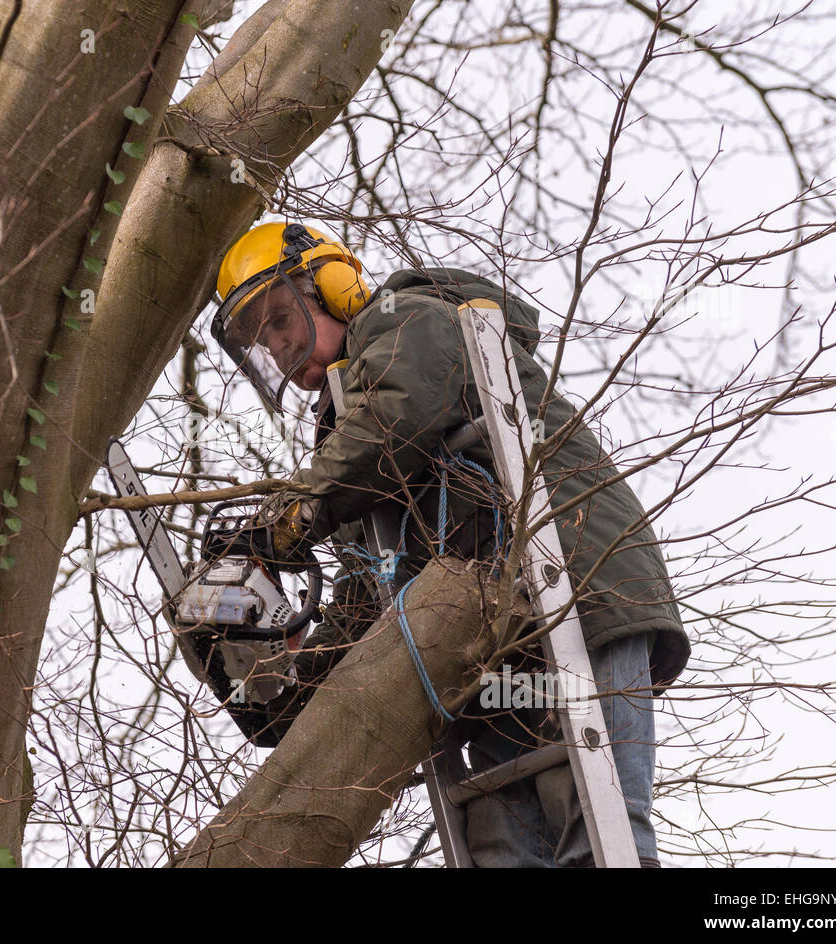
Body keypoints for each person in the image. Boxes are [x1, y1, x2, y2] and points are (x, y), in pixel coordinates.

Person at [210, 221, 691, 868]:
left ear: (329, 285)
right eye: (263, 339)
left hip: (577, 584)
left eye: (278, 319)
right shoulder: (343, 443)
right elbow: (367, 593)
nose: (279, 346)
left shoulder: (407, 319)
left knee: (601, 837)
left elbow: (399, 416)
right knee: (504, 853)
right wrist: (291, 683)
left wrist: (289, 518)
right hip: (487, 645)